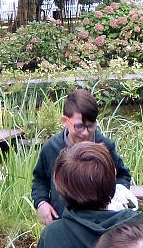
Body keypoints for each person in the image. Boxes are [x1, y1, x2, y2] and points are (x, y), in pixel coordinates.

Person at [31, 89, 131, 226]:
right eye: (79, 126)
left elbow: (122, 176)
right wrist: (41, 203)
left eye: (90, 126)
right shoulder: (50, 148)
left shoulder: (105, 146)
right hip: (62, 223)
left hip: (99, 224)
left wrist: (117, 199)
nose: (85, 133)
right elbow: (40, 180)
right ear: (65, 121)